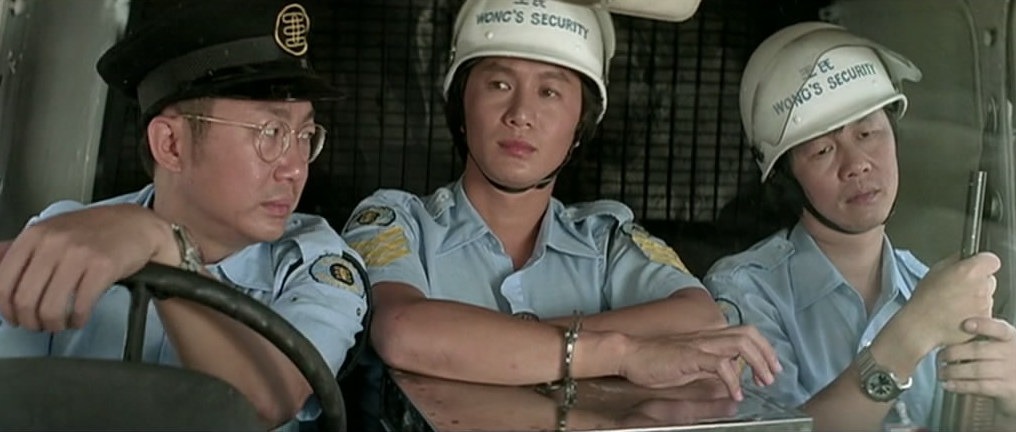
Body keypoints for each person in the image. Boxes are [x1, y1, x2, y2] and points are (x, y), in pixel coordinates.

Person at [341, 0, 780, 414]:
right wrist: (620, 353)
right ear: (461, 105)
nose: (521, 113)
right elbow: (403, 330)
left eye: (549, 92)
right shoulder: (395, 222)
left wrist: (480, 345)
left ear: (580, 124)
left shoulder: (606, 239)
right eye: (499, 84)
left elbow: (699, 317)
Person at [0, 1, 367, 428]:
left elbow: (269, 399)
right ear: (171, 145)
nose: (296, 169)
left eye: (304, 135)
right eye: (271, 133)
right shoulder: (67, 235)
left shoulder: (317, 265)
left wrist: (168, 250)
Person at [705, 21, 1014, 431]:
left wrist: (1006, 403)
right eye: (822, 150)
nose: (856, 164)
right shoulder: (747, 293)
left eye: (868, 132)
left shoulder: (926, 286)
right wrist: (910, 335)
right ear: (786, 178)